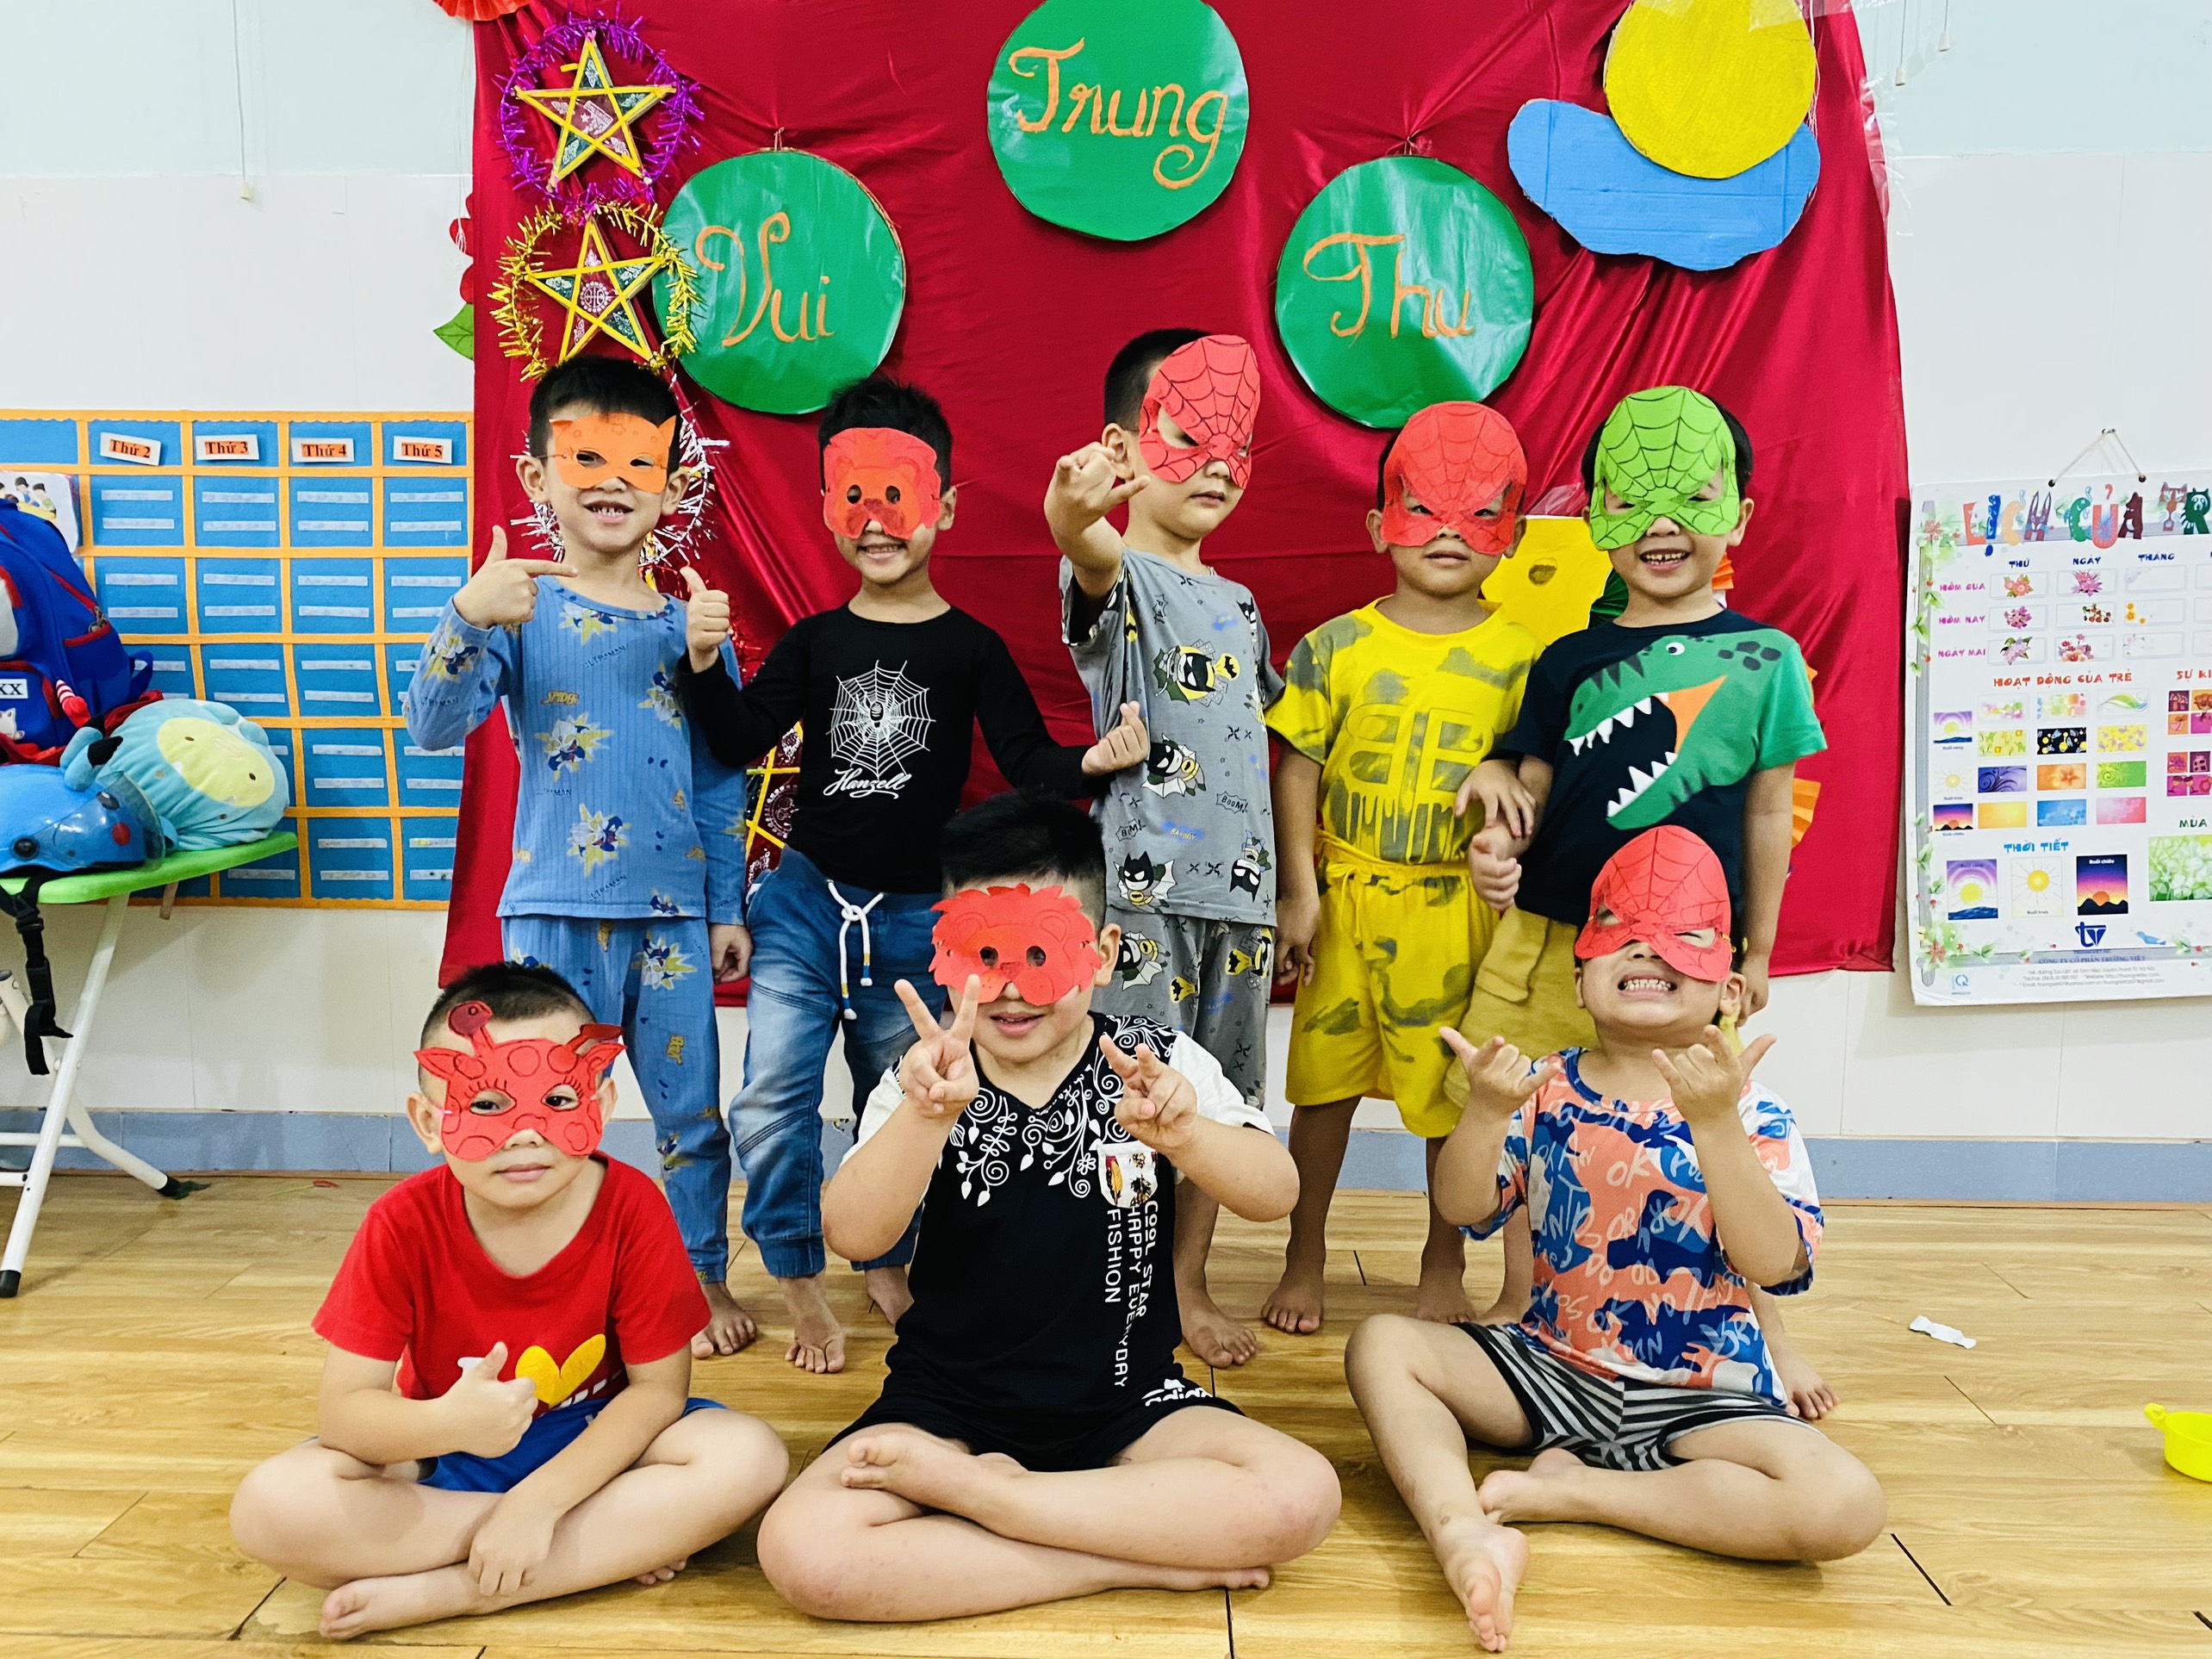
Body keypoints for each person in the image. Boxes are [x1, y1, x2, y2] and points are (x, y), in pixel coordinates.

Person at [753, 791, 1338, 1620]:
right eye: (981, 954)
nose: (1010, 989)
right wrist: (924, 1120)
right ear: (944, 953)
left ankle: (997, 1503)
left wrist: (1187, 1137)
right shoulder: (927, 1076)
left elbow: (1276, 1193)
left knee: (1300, 1494)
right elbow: (853, 1232)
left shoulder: (1157, 1062)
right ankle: (1119, 1559)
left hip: (1128, 1401)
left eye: (1041, 953)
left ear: (1102, 954)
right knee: (805, 1551)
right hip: (947, 1408)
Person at [680, 375, 1148, 1375]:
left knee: (904, 1094)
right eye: (854, 495)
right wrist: (704, 664)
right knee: (770, 1095)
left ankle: (887, 1259)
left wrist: (1091, 762)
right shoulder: (814, 643)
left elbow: (1025, 760)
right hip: (804, 904)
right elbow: (737, 737)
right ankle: (799, 1277)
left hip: (917, 919)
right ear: (826, 507)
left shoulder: (970, 648)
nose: (876, 520)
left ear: (946, 507)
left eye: (899, 495)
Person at [1345, 827, 1885, 1653]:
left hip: (1702, 1394)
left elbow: (1775, 1265)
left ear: (1730, 990)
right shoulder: (1544, 1089)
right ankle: (1461, 1530)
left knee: (1845, 1503)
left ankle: (1578, 1492)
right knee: (1382, 1343)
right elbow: (1462, 1208)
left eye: (1685, 935)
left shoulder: (1754, 1112)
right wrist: (1484, 1113)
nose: (1647, 946)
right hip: (1551, 1367)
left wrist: (1715, 1124)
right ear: (1580, 979)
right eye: (1620, 930)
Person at [1457, 385, 1836, 1414]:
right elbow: (1531, 791)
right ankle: (1524, 1298)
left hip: (1690, 952)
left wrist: (1757, 949)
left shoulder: (1768, 661)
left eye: (1690, 498)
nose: (1662, 525)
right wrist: (1498, 849)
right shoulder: (1567, 659)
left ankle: (1767, 1327)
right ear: (1596, 519)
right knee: (1533, 1106)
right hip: (1555, 936)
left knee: (1706, 1126)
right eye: (1632, 501)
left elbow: (1770, 811)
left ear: (1738, 517)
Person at [228, 965, 790, 1641]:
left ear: (602, 1106)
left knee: (748, 1456)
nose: (525, 1134)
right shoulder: (399, 1224)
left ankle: (464, 1590)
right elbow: (347, 1416)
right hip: (446, 1455)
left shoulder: (633, 1207)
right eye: (488, 1106)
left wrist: (538, 1506)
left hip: (599, 1447)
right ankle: (608, 1544)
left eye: (558, 1100)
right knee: (273, 1506)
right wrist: (448, 1425)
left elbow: (657, 1395)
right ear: (429, 1122)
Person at [404, 355, 757, 1361]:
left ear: (672, 485)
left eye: (637, 463)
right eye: (585, 458)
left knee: (694, 1119)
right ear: (536, 476)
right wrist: (468, 615)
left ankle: (697, 1275)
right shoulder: (518, 610)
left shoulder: (693, 626)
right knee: (543, 1112)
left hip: (674, 921)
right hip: (553, 913)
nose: (611, 482)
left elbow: (723, 779)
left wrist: (725, 906)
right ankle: (554, 1284)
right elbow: (430, 726)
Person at [1262, 403, 1541, 1336]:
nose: (1450, 533)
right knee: (1322, 1091)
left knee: (1452, 1097)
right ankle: (1304, 1256)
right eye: (1424, 509)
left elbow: (1534, 777)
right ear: (1380, 525)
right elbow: (1297, 765)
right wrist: (1300, 890)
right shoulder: (1333, 647)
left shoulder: (1527, 658)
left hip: (1457, 911)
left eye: (1481, 513)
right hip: (1347, 902)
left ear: (1511, 531)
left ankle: (1441, 1257)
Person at [1045, 327, 1283, 1368]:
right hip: (1142, 898)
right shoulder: (1122, 579)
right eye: (1191, 438)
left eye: (1240, 447)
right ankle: (1120, 1282)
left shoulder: (1242, 603)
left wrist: (1290, 895)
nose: (1220, 465)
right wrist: (1072, 508)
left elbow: (1260, 744)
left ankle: (1185, 1282)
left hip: (1244, 904)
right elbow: (1082, 542)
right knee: (1127, 1099)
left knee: (1221, 1108)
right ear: (1125, 447)